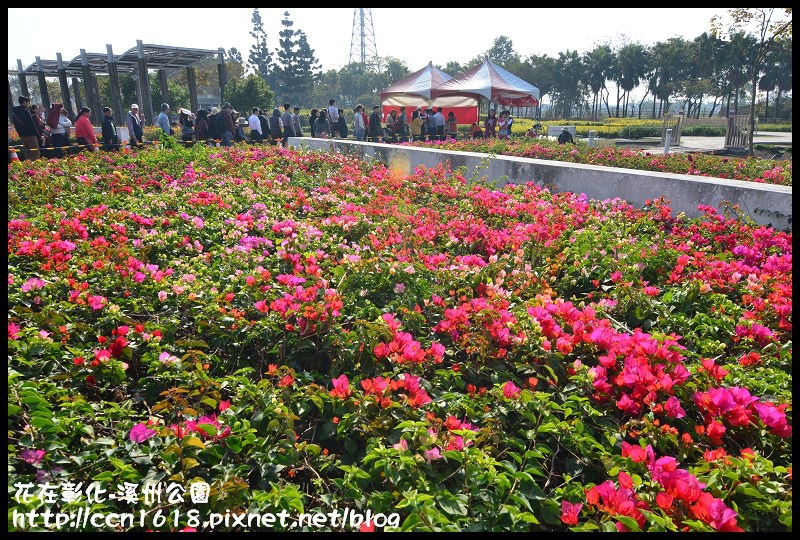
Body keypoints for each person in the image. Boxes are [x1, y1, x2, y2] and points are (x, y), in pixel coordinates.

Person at [12, 96, 41, 161]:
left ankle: (27, 165)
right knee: (35, 151)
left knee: (28, 152)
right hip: (30, 134)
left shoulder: (15, 112)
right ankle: (34, 165)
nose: (29, 104)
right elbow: (32, 125)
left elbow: (15, 125)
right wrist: (39, 135)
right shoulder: (26, 111)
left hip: (22, 135)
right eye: (28, 103)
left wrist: (19, 134)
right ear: (24, 102)